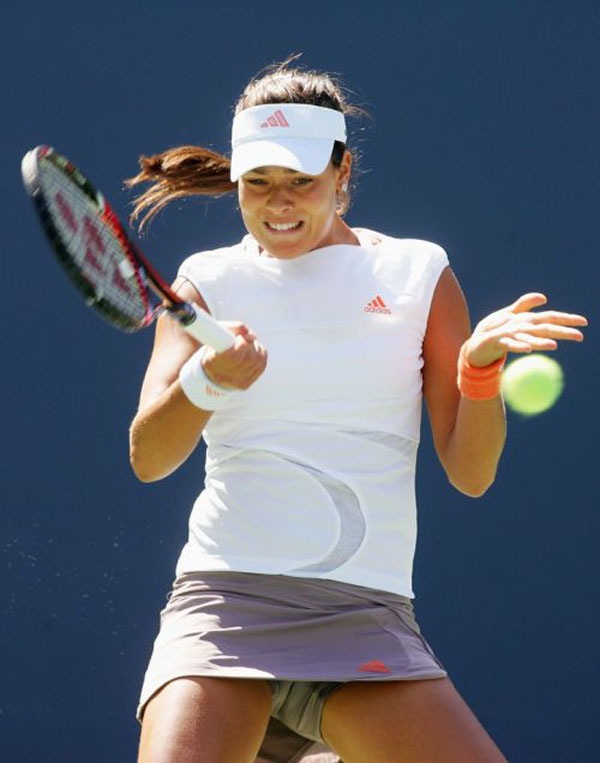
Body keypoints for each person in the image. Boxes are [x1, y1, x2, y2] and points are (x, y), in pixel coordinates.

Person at [127, 61, 587, 763]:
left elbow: (470, 472)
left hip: (363, 616)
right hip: (223, 610)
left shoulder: (418, 274)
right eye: (258, 183)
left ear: (343, 175)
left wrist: (479, 370)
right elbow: (149, 457)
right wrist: (206, 382)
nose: (279, 203)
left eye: (301, 181)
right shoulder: (206, 282)